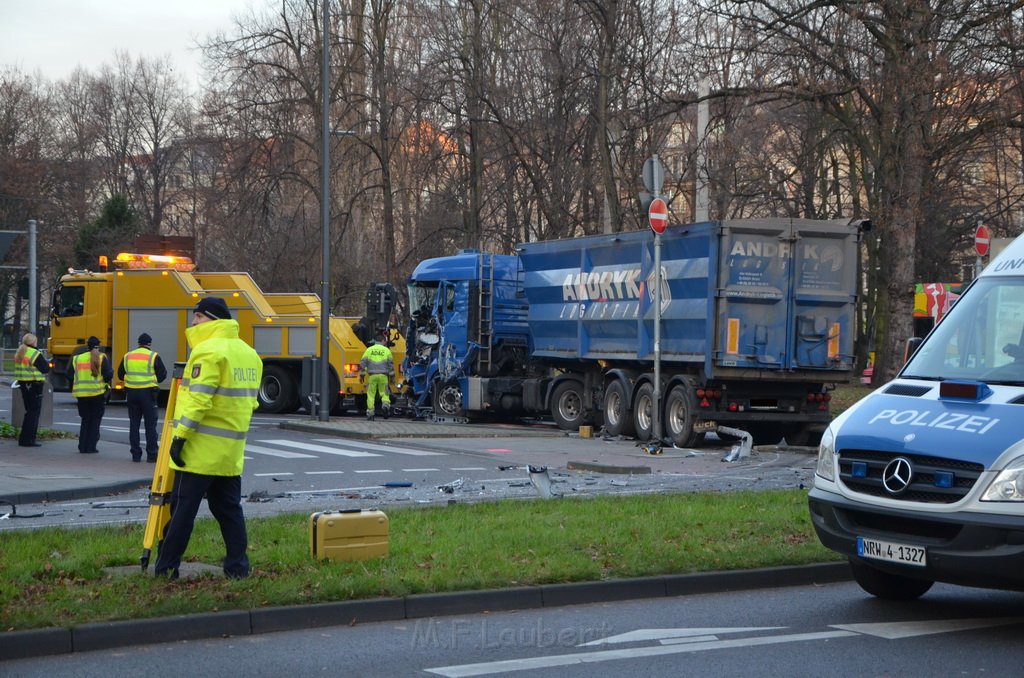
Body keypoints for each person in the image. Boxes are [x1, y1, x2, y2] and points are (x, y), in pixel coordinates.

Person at [154, 296, 263, 580]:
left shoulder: (207, 352)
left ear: (212, 319)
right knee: (229, 510)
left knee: (182, 511)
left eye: (198, 317)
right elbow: (250, 403)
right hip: (229, 451)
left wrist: (180, 438)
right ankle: (238, 568)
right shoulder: (249, 353)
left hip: (199, 450)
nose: (193, 322)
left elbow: (198, 402)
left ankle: (166, 568)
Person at [118, 333, 168, 463]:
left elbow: (120, 374)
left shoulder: (127, 356)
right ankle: (151, 455)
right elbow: (162, 375)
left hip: (132, 394)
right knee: (150, 425)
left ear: (138, 343)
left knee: (134, 424)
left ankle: (136, 455)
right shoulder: (153, 356)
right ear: (149, 344)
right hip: (148, 394)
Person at [66, 336, 113, 454]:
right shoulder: (102, 357)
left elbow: (69, 375)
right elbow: (108, 375)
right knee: (95, 421)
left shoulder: (77, 358)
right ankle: (91, 447)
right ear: (98, 346)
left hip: (81, 394)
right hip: (97, 394)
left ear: (87, 346)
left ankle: (82, 446)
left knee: (85, 420)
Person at [13, 332, 50, 447]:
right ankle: (28, 440)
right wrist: (49, 364)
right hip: (34, 385)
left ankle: (24, 438)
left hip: (23, 384)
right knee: (33, 413)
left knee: (29, 412)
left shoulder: (20, 352)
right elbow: (44, 369)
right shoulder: (34, 353)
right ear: (34, 342)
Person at [360, 336, 394, 420]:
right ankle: (385, 406)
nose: (386, 343)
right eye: (385, 341)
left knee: (371, 394)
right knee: (385, 393)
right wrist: (392, 376)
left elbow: (363, 363)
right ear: (382, 341)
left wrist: (362, 375)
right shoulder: (386, 350)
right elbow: (390, 365)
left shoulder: (369, 350)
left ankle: (370, 413)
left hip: (372, 376)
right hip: (383, 376)